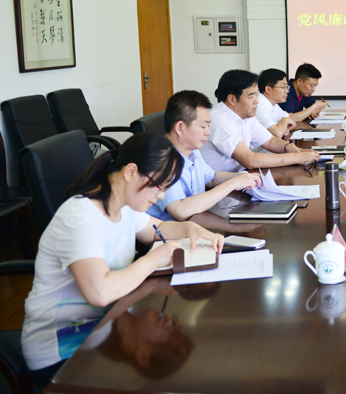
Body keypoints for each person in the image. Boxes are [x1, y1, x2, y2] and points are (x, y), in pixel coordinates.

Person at [21, 133, 224, 383]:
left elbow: (157, 229)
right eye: (159, 186)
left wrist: (191, 229)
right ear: (131, 172)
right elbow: (100, 293)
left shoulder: (124, 205)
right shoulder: (81, 216)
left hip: (105, 325)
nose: (161, 195)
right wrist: (152, 261)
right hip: (61, 351)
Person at [147, 90, 262, 222]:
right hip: (168, 231)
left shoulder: (192, 149)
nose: (208, 132)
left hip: (196, 223)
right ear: (180, 127)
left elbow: (210, 178)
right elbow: (180, 211)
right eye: (203, 127)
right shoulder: (160, 160)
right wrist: (232, 184)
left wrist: (243, 177)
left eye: (208, 126)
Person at [200, 70, 319, 172]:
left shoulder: (246, 115)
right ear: (232, 99)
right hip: (217, 186)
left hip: (238, 177)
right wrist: (297, 158)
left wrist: (292, 149)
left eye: (257, 94)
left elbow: (270, 141)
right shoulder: (219, 119)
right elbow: (249, 160)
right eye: (251, 96)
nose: (257, 100)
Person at [255, 69, 296, 139]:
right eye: (283, 87)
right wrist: (285, 120)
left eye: (287, 87)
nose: (287, 91)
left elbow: (293, 122)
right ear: (268, 89)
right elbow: (278, 133)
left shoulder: (273, 104)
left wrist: (284, 127)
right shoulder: (258, 105)